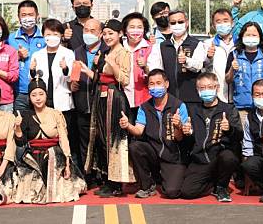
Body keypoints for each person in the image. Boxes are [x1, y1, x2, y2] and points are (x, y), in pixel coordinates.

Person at [12, 75, 86, 203]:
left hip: (55, 156)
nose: (38, 98)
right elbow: (20, 143)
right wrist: (18, 128)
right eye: (34, 95)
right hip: (33, 157)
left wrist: (68, 164)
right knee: (27, 194)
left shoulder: (56, 113)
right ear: (29, 97)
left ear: (46, 95)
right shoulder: (25, 115)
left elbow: (63, 139)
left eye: (41, 94)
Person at [85, 19, 134, 197]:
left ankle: (116, 183)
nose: (107, 37)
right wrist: (88, 70)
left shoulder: (123, 53)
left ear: (120, 34)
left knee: (113, 139)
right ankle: (106, 179)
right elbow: (100, 78)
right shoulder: (106, 51)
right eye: (104, 34)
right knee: (100, 138)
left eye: (111, 33)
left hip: (114, 97)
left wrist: (112, 65)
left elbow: (125, 80)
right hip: (102, 96)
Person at [124, 69, 189, 199]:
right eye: (151, 84)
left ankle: (165, 176)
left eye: (159, 83)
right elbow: (139, 131)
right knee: (135, 146)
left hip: (172, 156)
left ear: (166, 84)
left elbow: (180, 137)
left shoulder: (179, 105)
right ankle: (147, 186)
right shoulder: (144, 107)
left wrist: (178, 126)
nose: (155, 87)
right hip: (154, 151)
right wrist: (128, 126)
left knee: (171, 192)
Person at [180, 72, 243, 201]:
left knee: (229, 157)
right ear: (197, 90)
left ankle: (222, 187)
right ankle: (212, 184)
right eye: (202, 88)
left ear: (217, 87)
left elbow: (239, 135)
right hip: (200, 159)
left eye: (210, 87)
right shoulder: (193, 110)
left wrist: (229, 129)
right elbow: (188, 142)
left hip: (219, 157)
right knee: (187, 192)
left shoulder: (229, 109)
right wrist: (187, 133)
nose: (206, 91)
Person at [71, 18, 108, 177]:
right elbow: (74, 75)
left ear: (100, 34)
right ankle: (88, 175)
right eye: (86, 30)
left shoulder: (107, 51)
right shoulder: (78, 51)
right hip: (82, 102)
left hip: (100, 103)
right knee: (84, 142)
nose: (88, 33)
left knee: (101, 141)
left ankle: (104, 175)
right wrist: (72, 84)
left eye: (93, 31)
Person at [29, 19, 76, 140]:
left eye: (55, 34)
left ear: (61, 35)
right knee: (46, 135)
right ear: (43, 35)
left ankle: (66, 157)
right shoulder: (37, 55)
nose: (52, 37)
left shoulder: (68, 53)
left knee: (64, 135)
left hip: (62, 101)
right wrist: (32, 71)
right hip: (44, 101)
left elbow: (71, 78)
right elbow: (33, 80)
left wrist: (65, 68)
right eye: (48, 34)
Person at [147, 10, 205, 107]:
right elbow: (155, 69)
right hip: (169, 99)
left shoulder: (196, 44)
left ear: (186, 23)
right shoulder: (161, 46)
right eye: (173, 23)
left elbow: (199, 65)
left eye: (180, 22)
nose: (177, 25)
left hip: (192, 99)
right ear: (169, 25)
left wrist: (186, 61)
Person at [225, 22, 263, 122]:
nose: (251, 37)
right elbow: (228, 80)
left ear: (260, 37)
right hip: (241, 106)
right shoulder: (234, 54)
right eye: (248, 35)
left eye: (254, 35)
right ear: (242, 36)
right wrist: (232, 68)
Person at [7, 0, 46, 112]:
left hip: (41, 91)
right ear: (18, 17)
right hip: (19, 92)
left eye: (30, 14)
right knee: (20, 126)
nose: (27, 18)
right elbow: (3, 62)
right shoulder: (10, 39)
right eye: (23, 15)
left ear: (37, 16)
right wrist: (17, 56)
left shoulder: (45, 38)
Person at [122, 12, 154, 119]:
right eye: (132, 27)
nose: (136, 30)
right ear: (125, 30)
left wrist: (145, 67)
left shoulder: (151, 48)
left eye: (139, 27)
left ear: (144, 30)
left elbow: (156, 74)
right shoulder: (119, 47)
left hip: (145, 98)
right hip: (122, 98)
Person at [203, 9, 236, 103]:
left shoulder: (239, 43)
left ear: (232, 23)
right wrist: (208, 57)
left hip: (238, 98)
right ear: (214, 25)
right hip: (218, 96)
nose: (222, 24)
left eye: (226, 21)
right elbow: (203, 68)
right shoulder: (207, 44)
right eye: (218, 22)